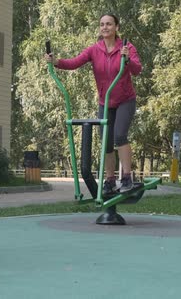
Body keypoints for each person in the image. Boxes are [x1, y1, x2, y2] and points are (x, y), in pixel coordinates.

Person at [45, 13, 142, 196]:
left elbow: (138, 70)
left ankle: (127, 177)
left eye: (109, 24)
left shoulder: (126, 47)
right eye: (102, 24)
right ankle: (110, 180)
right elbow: (74, 63)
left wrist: (127, 59)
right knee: (106, 142)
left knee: (120, 135)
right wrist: (56, 62)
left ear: (116, 27)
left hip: (125, 100)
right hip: (105, 102)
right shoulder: (94, 50)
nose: (105, 27)